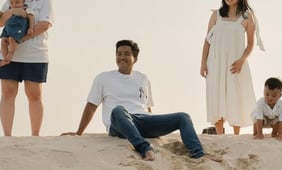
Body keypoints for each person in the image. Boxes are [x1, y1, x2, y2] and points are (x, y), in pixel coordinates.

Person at [65, 39, 216, 162]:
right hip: (119, 124)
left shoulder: (143, 78)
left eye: (126, 54)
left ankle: (198, 154)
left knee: (183, 117)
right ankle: (145, 148)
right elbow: (91, 106)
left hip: (143, 121)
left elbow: (147, 107)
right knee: (118, 110)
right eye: (119, 54)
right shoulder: (103, 78)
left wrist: (154, 123)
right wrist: (79, 133)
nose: (122, 57)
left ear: (135, 58)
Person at [0, 0, 53, 136]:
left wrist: (20, 39)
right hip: (9, 53)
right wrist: (13, 11)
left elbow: (45, 24)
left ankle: (35, 134)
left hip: (35, 54)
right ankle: (7, 135)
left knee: (34, 95)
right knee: (8, 93)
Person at [200, 0, 260, 134]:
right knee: (217, 94)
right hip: (216, 63)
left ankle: (236, 135)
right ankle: (220, 134)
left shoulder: (247, 17)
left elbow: (251, 44)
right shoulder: (216, 15)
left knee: (235, 95)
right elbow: (207, 41)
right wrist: (203, 63)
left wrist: (242, 60)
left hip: (235, 63)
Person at [0, 0, 36, 65]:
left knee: (12, 40)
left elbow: (31, 18)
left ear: (23, 1)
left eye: (17, 2)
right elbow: (0, 13)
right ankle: (5, 58)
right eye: (12, 3)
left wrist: (31, 28)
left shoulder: (26, 9)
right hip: (7, 28)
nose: (14, 5)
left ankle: (11, 54)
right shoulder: (9, 9)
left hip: (18, 28)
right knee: (3, 41)